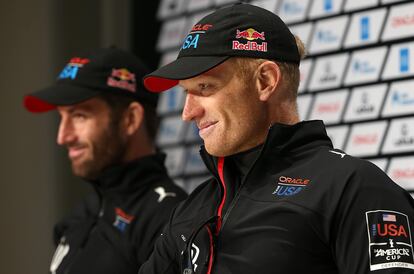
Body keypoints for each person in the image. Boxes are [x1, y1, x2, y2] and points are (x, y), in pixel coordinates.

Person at [139, 3, 414, 274]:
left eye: (204, 87)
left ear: (266, 81)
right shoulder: (194, 207)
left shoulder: (355, 189)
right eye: (186, 92)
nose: (188, 113)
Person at [23, 47, 187, 274]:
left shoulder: (169, 220)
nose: (63, 137)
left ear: (130, 119)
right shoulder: (82, 213)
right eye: (61, 117)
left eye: (79, 116)